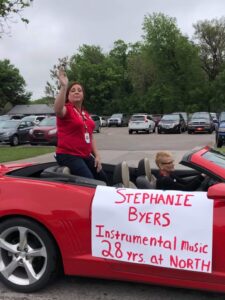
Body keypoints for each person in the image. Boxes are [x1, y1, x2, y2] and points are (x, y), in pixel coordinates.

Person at [54, 67, 108, 183]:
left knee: (103, 178)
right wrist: (64, 87)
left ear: (83, 95)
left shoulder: (85, 113)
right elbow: (58, 109)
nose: (76, 92)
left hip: (85, 155)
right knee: (90, 181)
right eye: (73, 90)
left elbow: (90, 136)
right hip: (68, 155)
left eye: (79, 90)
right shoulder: (66, 110)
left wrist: (97, 155)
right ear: (68, 96)